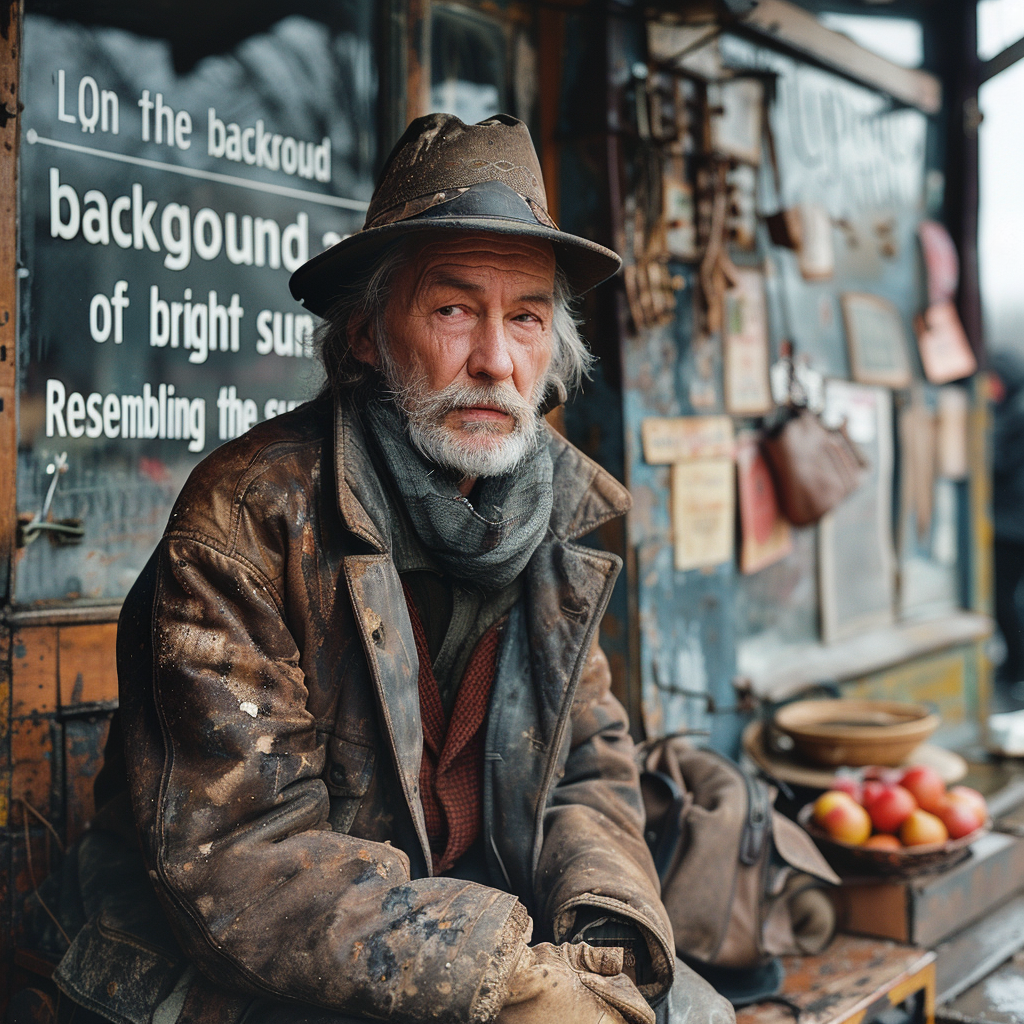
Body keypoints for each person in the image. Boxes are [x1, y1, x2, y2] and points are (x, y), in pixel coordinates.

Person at [17, 114, 734, 1024]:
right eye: (453, 309)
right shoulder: (249, 517)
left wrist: (601, 933)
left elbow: (591, 768)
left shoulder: (558, 516)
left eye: (526, 317)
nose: (494, 360)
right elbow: (238, 861)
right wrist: (506, 977)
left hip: (471, 918)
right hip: (247, 961)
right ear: (364, 334)